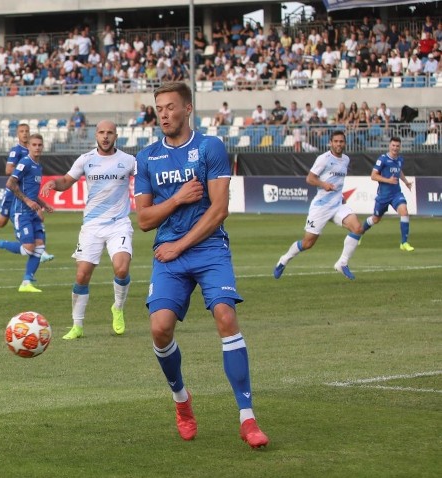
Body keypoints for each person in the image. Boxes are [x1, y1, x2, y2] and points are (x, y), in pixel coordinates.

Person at [133, 82, 268, 449]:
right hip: (168, 253)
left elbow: (218, 209)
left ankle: (247, 418)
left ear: (188, 109)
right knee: (160, 329)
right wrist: (176, 199)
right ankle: (182, 401)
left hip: (208, 248)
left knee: (225, 315)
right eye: (159, 108)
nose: (163, 114)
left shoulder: (209, 148)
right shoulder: (146, 158)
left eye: (171, 107)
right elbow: (144, 220)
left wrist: (180, 244)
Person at [40, 120, 136, 339]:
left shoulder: (129, 161)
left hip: (118, 223)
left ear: (116, 135)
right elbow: (66, 180)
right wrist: (54, 184)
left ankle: (118, 308)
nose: (105, 136)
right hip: (92, 225)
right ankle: (77, 325)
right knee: (82, 275)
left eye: (109, 133)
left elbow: (146, 180)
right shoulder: (86, 159)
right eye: (101, 132)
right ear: (95, 135)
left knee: (121, 269)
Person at [273, 130, 363, 281]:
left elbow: (337, 181)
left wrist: (340, 196)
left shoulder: (346, 159)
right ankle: (284, 259)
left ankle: (342, 263)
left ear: (345, 143)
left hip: (337, 204)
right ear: (330, 143)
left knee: (357, 228)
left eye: (341, 141)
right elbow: (310, 178)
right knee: (308, 243)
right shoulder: (324, 159)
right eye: (336, 141)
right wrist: (323, 184)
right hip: (321, 206)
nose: (339, 144)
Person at [0, 123, 55, 264]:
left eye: (27, 131)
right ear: (17, 134)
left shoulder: (32, 151)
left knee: (5, 222)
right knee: (10, 221)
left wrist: (42, 203)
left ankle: (38, 250)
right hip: (12, 193)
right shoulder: (18, 151)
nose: (25, 134)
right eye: (22, 131)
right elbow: (8, 170)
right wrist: (21, 170)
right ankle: (35, 249)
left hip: (22, 193)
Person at [0, 134, 53, 293]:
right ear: (29, 147)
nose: (37, 147)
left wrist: (43, 204)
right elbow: (10, 183)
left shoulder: (38, 166)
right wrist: (27, 201)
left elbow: (31, 192)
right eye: (34, 145)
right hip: (21, 212)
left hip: (33, 211)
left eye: (40, 145)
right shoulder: (25, 162)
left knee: (40, 246)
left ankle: (27, 281)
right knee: (28, 248)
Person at [362, 136, 415, 251]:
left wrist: (405, 182)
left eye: (397, 146)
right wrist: (388, 180)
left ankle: (404, 243)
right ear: (389, 146)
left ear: (400, 147)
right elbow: (373, 176)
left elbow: (399, 171)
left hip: (396, 194)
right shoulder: (383, 159)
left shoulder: (400, 159)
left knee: (404, 212)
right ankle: (360, 231)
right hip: (383, 196)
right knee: (375, 219)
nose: (395, 148)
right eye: (393, 145)